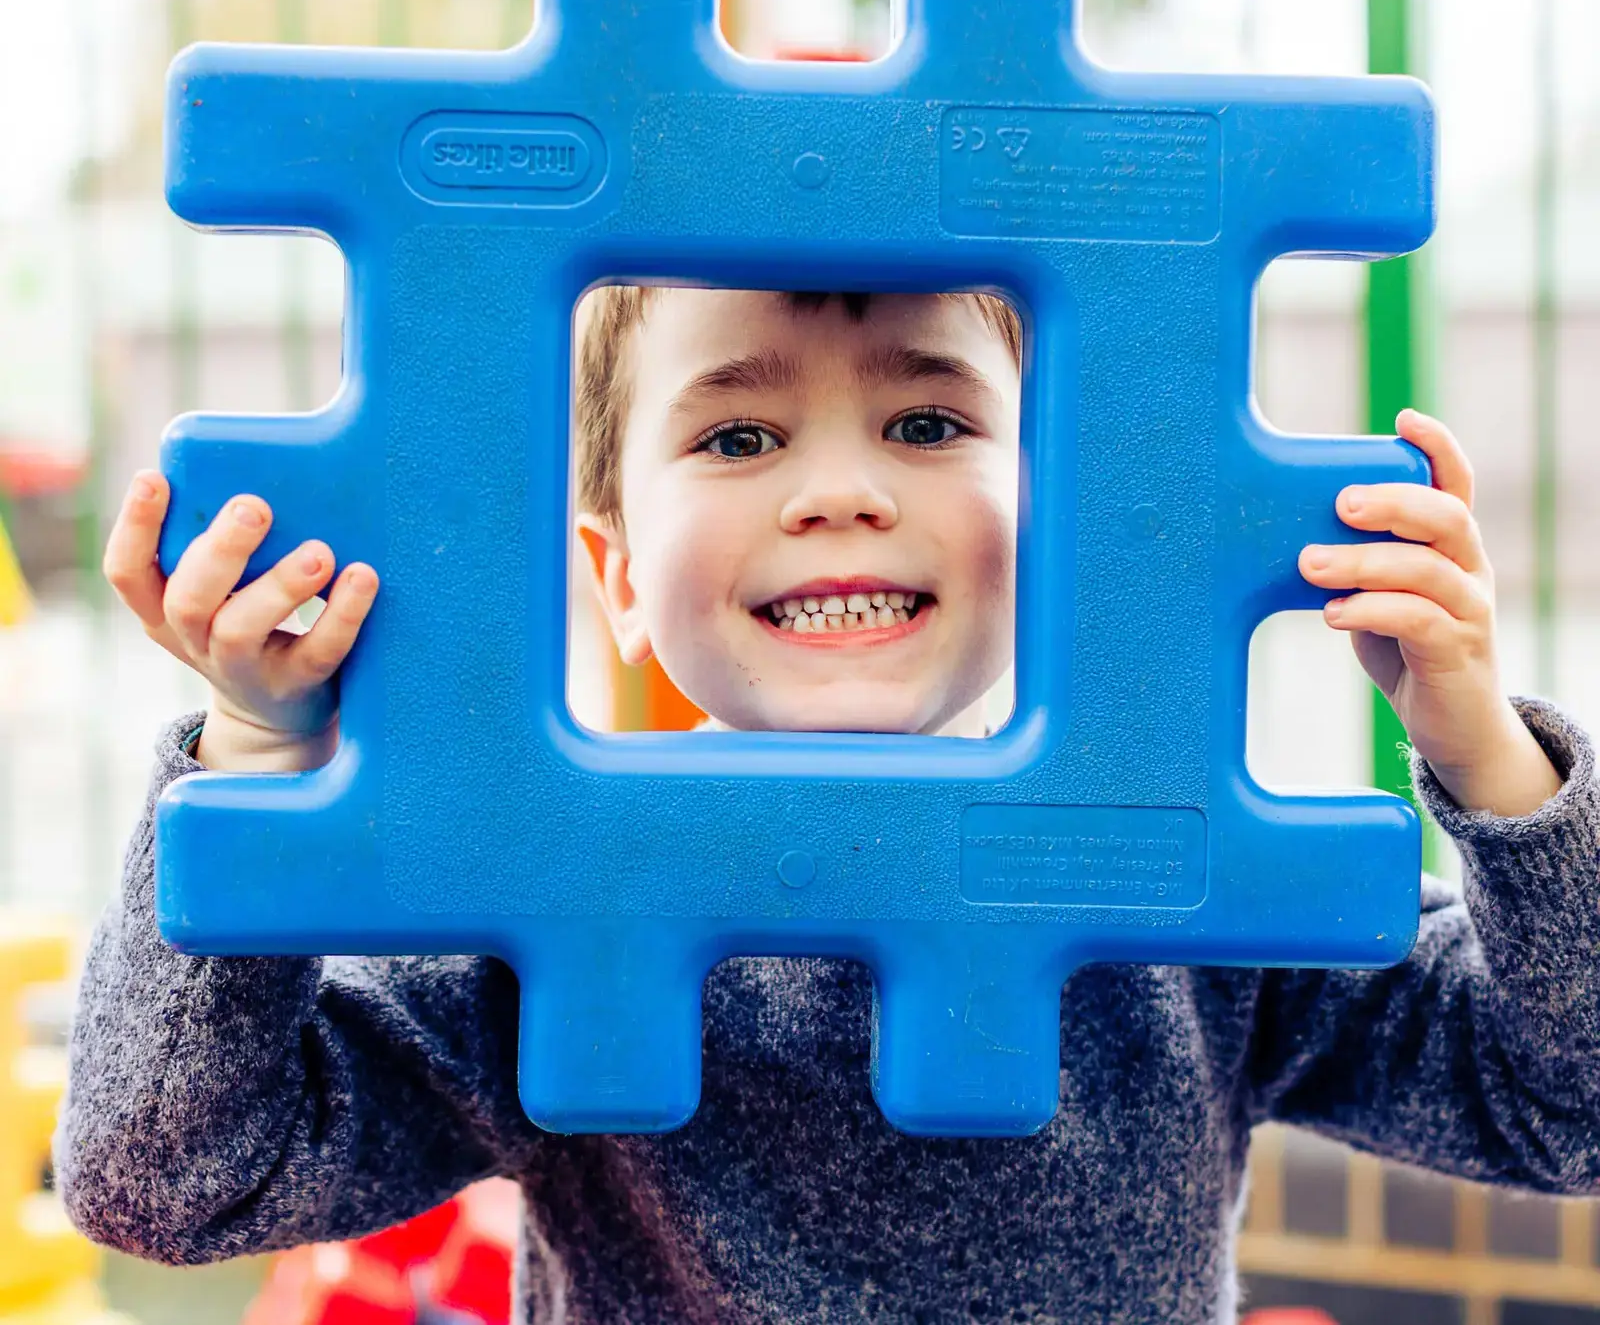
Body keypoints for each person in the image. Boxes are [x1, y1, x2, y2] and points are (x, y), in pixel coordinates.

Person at [57, 285, 1599, 1324]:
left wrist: (1487, 758)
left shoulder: (1179, 885)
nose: (841, 489)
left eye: (929, 423)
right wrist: (254, 755)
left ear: (1050, 518)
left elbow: (1567, 1100)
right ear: (617, 578)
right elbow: (159, 1172)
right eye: (738, 434)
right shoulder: (557, 909)